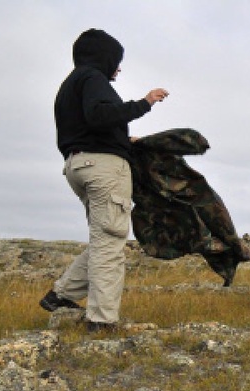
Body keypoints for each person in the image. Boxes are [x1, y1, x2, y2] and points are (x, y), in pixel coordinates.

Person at [40, 28, 169, 332]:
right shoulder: (93, 78)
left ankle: (61, 296)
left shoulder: (71, 84)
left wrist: (126, 141)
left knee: (103, 239)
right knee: (110, 243)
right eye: (116, 60)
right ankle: (102, 321)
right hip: (103, 168)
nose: (119, 68)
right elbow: (100, 115)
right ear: (104, 56)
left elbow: (92, 124)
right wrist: (144, 103)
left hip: (78, 165)